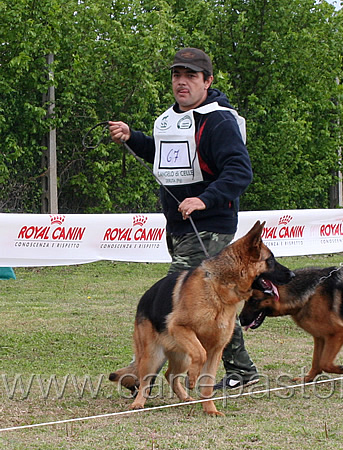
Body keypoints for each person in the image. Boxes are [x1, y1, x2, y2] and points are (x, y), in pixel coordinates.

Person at [109, 47, 259, 390]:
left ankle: (144, 366)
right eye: (177, 75)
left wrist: (204, 199)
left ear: (207, 81)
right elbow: (165, 157)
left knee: (176, 297)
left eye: (191, 76)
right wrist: (134, 139)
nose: (182, 82)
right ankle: (242, 370)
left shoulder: (218, 120)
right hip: (178, 226)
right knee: (211, 301)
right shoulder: (171, 118)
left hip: (210, 225)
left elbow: (240, 171)